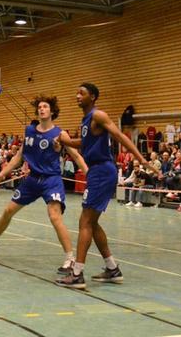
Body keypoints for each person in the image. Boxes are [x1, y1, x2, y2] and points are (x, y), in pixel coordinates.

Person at [0, 95, 88, 276]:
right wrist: (1, 175)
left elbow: (77, 156)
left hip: (51, 180)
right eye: (39, 107)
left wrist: (88, 174)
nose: (42, 109)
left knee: (54, 216)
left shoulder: (59, 134)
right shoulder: (29, 131)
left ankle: (70, 258)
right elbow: (18, 158)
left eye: (45, 107)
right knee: (9, 210)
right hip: (33, 179)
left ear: (52, 111)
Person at [55, 83, 151, 289]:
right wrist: (65, 140)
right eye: (77, 92)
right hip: (98, 171)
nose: (77, 95)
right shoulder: (87, 120)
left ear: (94, 97)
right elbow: (85, 143)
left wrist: (141, 159)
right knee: (93, 222)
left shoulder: (99, 115)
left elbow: (120, 136)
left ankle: (77, 274)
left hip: (102, 171)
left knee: (85, 222)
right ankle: (112, 268)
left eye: (82, 93)